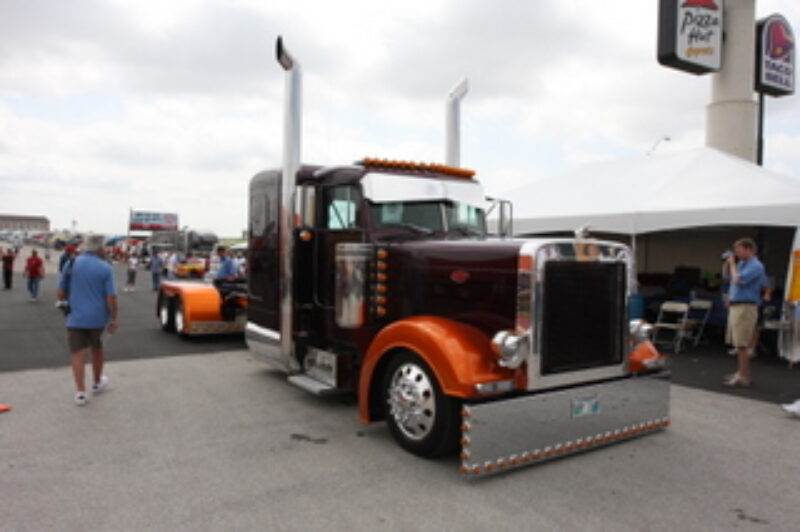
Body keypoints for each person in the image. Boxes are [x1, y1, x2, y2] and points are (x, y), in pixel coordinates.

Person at [56, 235, 118, 406]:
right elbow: (111, 297)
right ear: (98, 249)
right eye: (104, 248)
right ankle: (97, 382)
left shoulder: (72, 263)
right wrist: (113, 318)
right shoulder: (105, 268)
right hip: (98, 318)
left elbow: (60, 292)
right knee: (97, 349)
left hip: (75, 316)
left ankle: (80, 392)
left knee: (77, 353)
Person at [723, 238, 768, 387]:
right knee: (737, 343)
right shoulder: (742, 264)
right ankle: (740, 372)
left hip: (746, 306)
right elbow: (729, 279)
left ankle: (744, 376)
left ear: (749, 249)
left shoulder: (756, 266)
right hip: (737, 304)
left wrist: (732, 264)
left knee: (742, 344)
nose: (737, 253)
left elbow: (738, 280)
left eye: (739, 250)